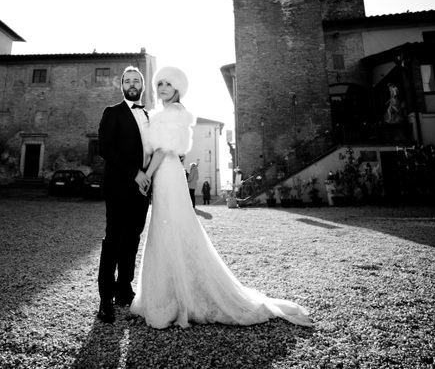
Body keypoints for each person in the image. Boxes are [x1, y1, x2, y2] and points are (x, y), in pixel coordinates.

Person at [130, 66, 312, 329]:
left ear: (178, 88)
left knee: (170, 228)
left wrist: (145, 176)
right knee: (168, 228)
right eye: (160, 85)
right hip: (166, 175)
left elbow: (161, 149)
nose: (163, 89)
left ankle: (174, 297)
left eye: (169, 84)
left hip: (166, 173)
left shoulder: (174, 112)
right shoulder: (169, 113)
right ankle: (171, 291)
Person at [96, 66, 151, 324]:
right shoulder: (112, 113)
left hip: (142, 193)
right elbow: (106, 148)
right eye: (127, 80)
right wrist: (135, 173)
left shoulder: (149, 116)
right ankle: (105, 299)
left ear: (142, 84)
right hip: (119, 189)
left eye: (135, 80)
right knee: (113, 243)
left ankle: (123, 290)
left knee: (132, 241)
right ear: (122, 86)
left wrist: (149, 177)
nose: (131, 84)